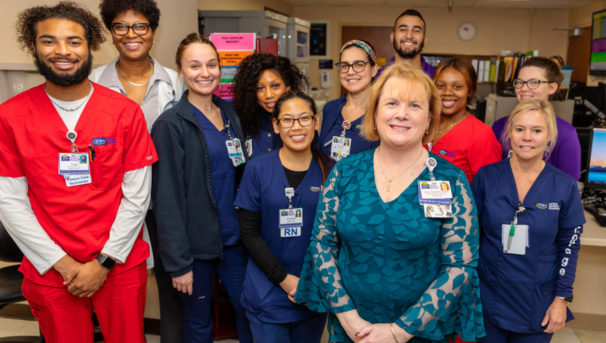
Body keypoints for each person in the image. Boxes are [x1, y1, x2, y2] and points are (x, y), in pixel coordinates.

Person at [294, 62, 485, 343]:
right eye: (392, 103)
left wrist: (400, 331)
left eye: (415, 106)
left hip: (420, 332)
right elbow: (322, 245)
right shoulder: (345, 172)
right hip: (352, 330)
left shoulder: (449, 179)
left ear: (431, 117)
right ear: (374, 112)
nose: (401, 114)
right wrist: (347, 316)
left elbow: (460, 266)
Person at [0, 2, 157, 342]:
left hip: (119, 260)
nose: (62, 51)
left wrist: (104, 262)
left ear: (90, 46)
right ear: (33, 46)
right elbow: (9, 202)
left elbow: (138, 195)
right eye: (48, 41)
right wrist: (63, 264)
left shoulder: (125, 113)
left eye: (73, 41)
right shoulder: (10, 116)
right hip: (51, 265)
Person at [90, 1, 186, 341]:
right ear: (110, 33)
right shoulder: (92, 82)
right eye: (121, 26)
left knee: (171, 280)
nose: (132, 34)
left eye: (141, 26)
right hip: (113, 201)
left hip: (165, 199)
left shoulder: (176, 82)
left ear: (153, 32)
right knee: (112, 281)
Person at [151, 33, 252, 343]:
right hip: (194, 249)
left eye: (211, 64)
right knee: (198, 322)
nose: (205, 73)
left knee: (249, 311)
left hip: (234, 240)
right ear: (180, 71)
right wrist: (178, 264)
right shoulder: (170, 125)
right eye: (194, 66)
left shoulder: (230, 116)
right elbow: (165, 199)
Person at [472, 100, 585, 343]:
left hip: (537, 301)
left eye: (537, 130)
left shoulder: (564, 186)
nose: (527, 137)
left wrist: (561, 299)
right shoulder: (486, 177)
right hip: (488, 294)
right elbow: (470, 236)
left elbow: (569, 246)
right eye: (520, 129)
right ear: (509, 133)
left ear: (549, 137)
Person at [235, 91, 330, 343]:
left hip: (314, 289)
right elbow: (249, 232)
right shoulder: (257, 168)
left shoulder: (332, 170)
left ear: (316, 122)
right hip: (267, 290)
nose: (296, 127)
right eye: (287, 120)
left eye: (304, 119)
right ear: (276, 125)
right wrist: (283, 279)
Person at [491, 57, 581, 180]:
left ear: (552, 88)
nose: (523, 88)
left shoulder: (566, 134)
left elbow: (568, 187)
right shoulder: (499, 126)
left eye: (534, 83)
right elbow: (490, 176)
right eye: (520, 82)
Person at [427, 58, 501, 183]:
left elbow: (492, 187)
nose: (447, 92)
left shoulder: (481, 134)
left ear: (469, 91)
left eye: (457, 86)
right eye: (440, 86)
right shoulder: (426, 125)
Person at [233, 54, 307, 159]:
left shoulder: (303, 122)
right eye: (260, 88)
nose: (269, 95)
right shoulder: (242, 124)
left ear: (287, 88)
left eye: (275, 86)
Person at [318, 40, 380, 161]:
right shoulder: (330, 108)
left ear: (373, 70)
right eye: (345, 66)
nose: (350, 72)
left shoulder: (382, 113)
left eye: (359, 64)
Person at [376, 9, 435, 79]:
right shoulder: (378, 77)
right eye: (403, 30)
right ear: (392, 37)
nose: (409, 36)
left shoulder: (437, 77)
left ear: (424, 40)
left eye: (416, 31)